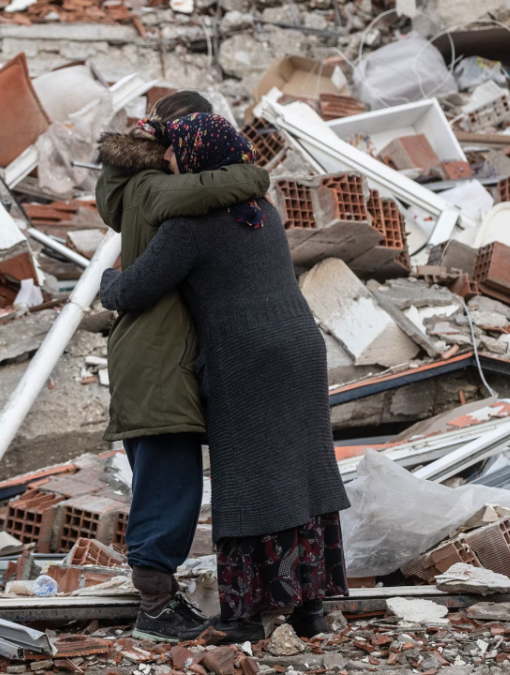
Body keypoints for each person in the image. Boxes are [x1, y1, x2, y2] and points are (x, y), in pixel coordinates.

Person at [99, 112, 350, 641]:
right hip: (303, 350)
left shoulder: (192, 227)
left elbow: (133, 291)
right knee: (302, 474)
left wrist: (108, 277)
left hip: (247, 358)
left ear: (196, 158)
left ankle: (242, 617)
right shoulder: (266, 211)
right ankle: (309, 611)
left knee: (247, 483)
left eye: (173, 151)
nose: (167, 159)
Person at [95, 92, 272, 642]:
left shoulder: (131, 189)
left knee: (165, 481)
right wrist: (255, 175)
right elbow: (213, 185)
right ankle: (154, 610)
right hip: (157, 360)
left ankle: (158, 602)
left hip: (156, 356)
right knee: (169, 488)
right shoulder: (151, 190)